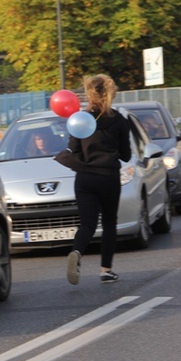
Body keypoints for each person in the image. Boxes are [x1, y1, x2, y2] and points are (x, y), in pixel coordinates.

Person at [66, 74, 131, 285]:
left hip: (84, 178)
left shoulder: (80, 119)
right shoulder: (119, 120)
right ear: (111, 94)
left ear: (89, 93)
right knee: (109, 222)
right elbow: (126, 155)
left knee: (87, 224)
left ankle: (76, 251)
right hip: (108, 177)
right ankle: (106, 270)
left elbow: (74, 149)